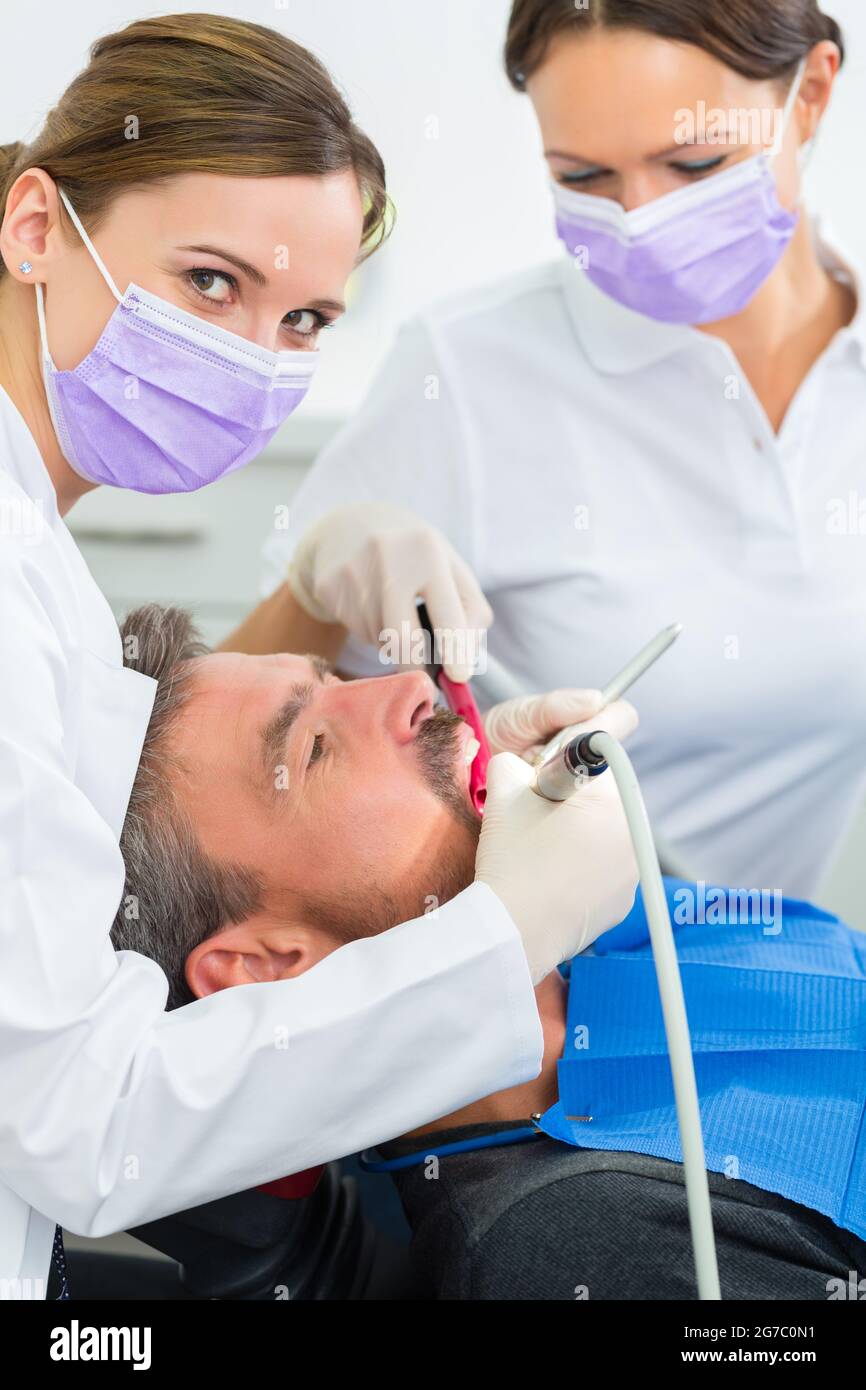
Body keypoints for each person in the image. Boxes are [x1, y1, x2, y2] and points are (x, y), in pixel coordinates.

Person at [0, 14, 638, 1299]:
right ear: (34, 229)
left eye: (305, 317)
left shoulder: (40, 566)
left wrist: (407, 715)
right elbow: (85, 1123)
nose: (252, 353)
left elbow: (94, 812)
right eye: (211, 282)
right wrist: (499, 933)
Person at [237, 0, 866, 903]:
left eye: (694, 164)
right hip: (519, 987)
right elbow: (222, 764)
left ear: (809, 93)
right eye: (585, 176)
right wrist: (313, 585)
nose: (640, 220)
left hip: (766, 988)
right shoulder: (465, 372)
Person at [112, 604, 866, 1302]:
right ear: (268, 964)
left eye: (334, 677)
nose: (409, 685)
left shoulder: (611, 911)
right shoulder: (577, 1245)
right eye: (316, 748)